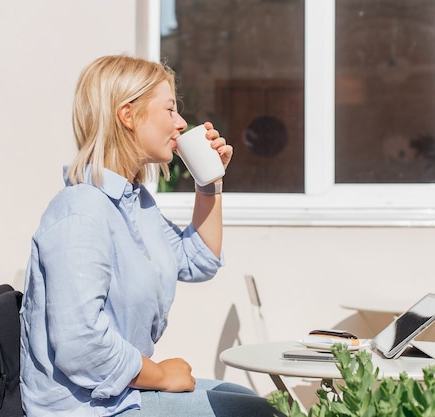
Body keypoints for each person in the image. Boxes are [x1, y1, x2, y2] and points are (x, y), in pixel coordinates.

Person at [19, 54, 282, 417]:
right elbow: (79, 344)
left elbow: (197, 260)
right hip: (87, 407)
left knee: (251, 401)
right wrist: (158, 374)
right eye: (170, 109)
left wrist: (210, 183)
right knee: (258, 414)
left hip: (119, 393)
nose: (180, 123)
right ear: (128, 116)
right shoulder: (81, 211)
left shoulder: (135, 203)